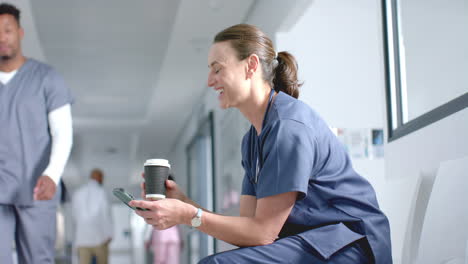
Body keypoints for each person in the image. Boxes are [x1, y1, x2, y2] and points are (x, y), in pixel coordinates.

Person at [130, 24, 392, 263]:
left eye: (217, 68)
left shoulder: (288, 127)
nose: (210, 81)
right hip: (316, 242)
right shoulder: (253, 140)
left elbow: (263, 233)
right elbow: (249, 229)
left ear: (251, 65)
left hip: (350, 247)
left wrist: (187, 215)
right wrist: (187, 204)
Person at [0, 3, 74, 264]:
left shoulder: (47, 78)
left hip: (37, 186)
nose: (1, 38)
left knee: (37, 260)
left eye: (6, 30)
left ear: (19, 32)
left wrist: (52, 174)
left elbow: (62, 132)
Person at [72, 169, 113, 264]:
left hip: (82, 239)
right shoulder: (101, 192)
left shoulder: (78, 193)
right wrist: (109, 234)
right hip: (99, 239)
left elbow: (74, 216)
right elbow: (105, 215)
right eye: (102, 178)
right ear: (99, 178)